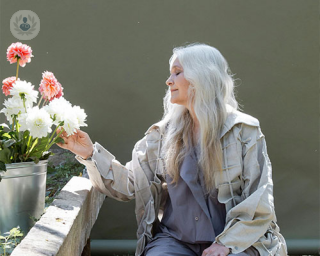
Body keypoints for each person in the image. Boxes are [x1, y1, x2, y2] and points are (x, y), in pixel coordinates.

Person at [57, 43, 287, 256]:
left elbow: (259, 200)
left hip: (239, 242)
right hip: (176, 241)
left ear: (202, 76)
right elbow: (129, 185)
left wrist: (225, 243)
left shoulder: (244, 131)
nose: (168, 81)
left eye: (177, 72)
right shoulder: (163, 134)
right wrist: (89, 153)